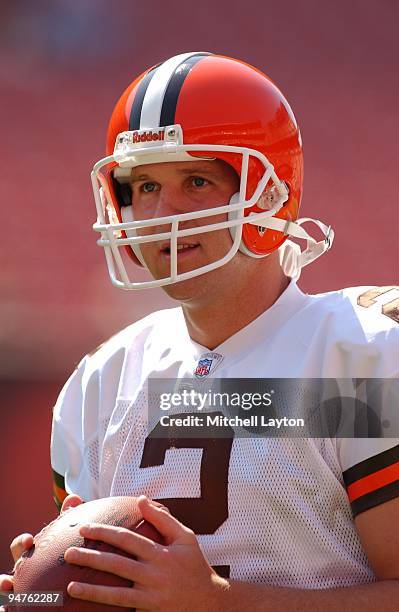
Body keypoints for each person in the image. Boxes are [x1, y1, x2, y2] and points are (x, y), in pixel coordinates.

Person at [2, 52, 399, 611]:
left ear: (267, 192)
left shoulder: (362, 356)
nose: (166, 213)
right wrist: (54, 583)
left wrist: (220, 602)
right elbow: (103, 580)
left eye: (196, 180)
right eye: (143, 187)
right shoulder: (102, 381)